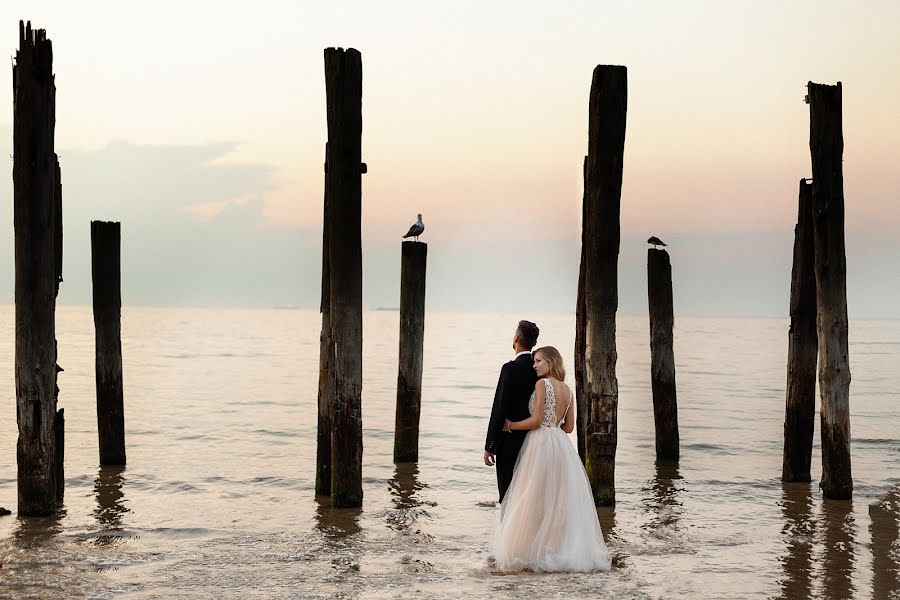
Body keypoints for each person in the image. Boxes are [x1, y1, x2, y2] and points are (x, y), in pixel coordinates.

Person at [492, 346, 612, 573]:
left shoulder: (542, 384)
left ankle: (532, 550)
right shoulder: (567, 389)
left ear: (550, 361)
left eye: (538, 361)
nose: (534, 365)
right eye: (534, 361)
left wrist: (510, 426)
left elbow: (536, 421)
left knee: (533, 496)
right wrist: (552, 424)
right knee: (556, 499)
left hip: (539, 443)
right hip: (560, 445)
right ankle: (553, 548)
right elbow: (568, 427)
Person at [484, 320, 540, 504]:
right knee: (528, 498)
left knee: (508, 495)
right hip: (535, 441)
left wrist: (490, 445)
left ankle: (507, 533)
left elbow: (499, 408)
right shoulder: (539, 369)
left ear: (516, 338)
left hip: (509, 441)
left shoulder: (510, 368)